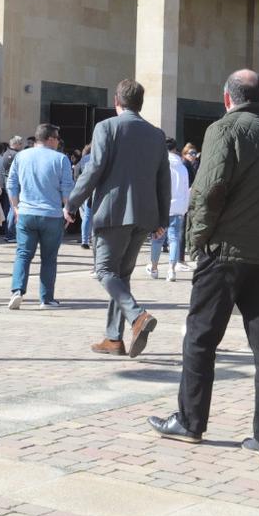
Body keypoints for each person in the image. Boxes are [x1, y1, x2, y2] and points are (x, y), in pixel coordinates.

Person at [147, 70, 259, 460]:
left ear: (227, 98)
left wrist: (197, 238)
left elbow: (210, 187)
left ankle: (190, 421)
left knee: (200, 338)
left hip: (226, 252)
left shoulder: (223, 129)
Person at [65, 79, 170, 357]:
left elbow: (95, 168)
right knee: (121, 275)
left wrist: (73, 202)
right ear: (140, 103)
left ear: (116, 101)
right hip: (145, 215)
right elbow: (164, 179)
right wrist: (162, 220)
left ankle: (137, 316)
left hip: (113, 213)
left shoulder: (106, 127)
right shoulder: (156, 134)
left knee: (105, 271)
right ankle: (114, 338)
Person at [5, 122, 72, 309]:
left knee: (23, 254)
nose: (59, 142)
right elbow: (67, 188)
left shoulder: (21, 156)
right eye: (57, 138)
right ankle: (46, 298)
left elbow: (11, 184)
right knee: (49, 258)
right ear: (50, 139)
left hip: (26, 212)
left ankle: (17, 291)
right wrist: (67, 209)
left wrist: (16, 207)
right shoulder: (61, 159)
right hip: (52, 214)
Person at [148, 138, 192, 282]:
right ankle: (171, 269)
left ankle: (154, 268)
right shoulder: (182, 167)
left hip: (162, 207)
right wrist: (184, 207)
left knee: (157, 239)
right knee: (174, 239)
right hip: (178, 207)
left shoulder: (160, 164)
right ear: (175, 149)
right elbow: (186, 190)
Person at [75, 143, 94, 249]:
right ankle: (94, 237)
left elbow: (79, 173)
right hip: (99, 190)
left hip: (87, 189)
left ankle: (85, 240)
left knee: (87, 215)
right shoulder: (104, 155)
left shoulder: (84, 159)